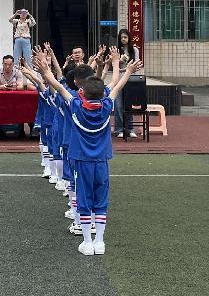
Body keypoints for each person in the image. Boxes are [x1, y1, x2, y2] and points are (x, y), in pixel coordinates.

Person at [31, 48, 137, 256]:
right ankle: (100, 242)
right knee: (101, 200)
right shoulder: (107, 105)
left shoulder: (76, 105)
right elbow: (116, 84)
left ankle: (87, 242)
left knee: (84, 199)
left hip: (81, 161)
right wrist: (123, 68)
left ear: (83, 91)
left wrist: (45, 68)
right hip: (101, 161)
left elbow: (56, 85)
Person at [114, 29, 140, 138]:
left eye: (125, 37)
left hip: (131, 80)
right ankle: (119, 129)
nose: (123, 39)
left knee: (129, 105)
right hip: (119, 80)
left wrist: (129, 69)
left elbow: (136, 67)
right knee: (118, 105)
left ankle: (130, 128)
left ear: (129, 38)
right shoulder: (116, 51)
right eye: (121, 38)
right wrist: (120, 64)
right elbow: (114, 68)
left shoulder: (134, 50)